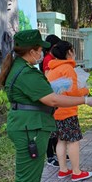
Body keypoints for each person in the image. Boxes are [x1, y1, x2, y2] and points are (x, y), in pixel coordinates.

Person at [0, 29, 92, 182]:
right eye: (39, 49)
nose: (42, 53)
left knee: (33, 172)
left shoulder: (21, 67)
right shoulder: (26, 72)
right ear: (31, 51)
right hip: (30, 129)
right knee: (26, 179)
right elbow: (51, 99)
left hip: (29, 126)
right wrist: (85, 99)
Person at [46, 41, 92, 182]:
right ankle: (77, 172)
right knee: (73, 142)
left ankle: (63, 170)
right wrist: (86, 90)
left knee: (61, 140)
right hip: (68, 111)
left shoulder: (52, 69)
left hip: (55, 111)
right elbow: (73, 93)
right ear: (68, 52)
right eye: (72, 50)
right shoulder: (67, 68)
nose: (74, 53)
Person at [39, 34, 62, 168]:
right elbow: (49, 78)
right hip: (50, 95)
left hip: (53, 95)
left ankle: (56, 152)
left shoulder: (51, 58)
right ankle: (50, 156)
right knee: (51, 129)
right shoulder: (48, 59)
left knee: (55, 128)